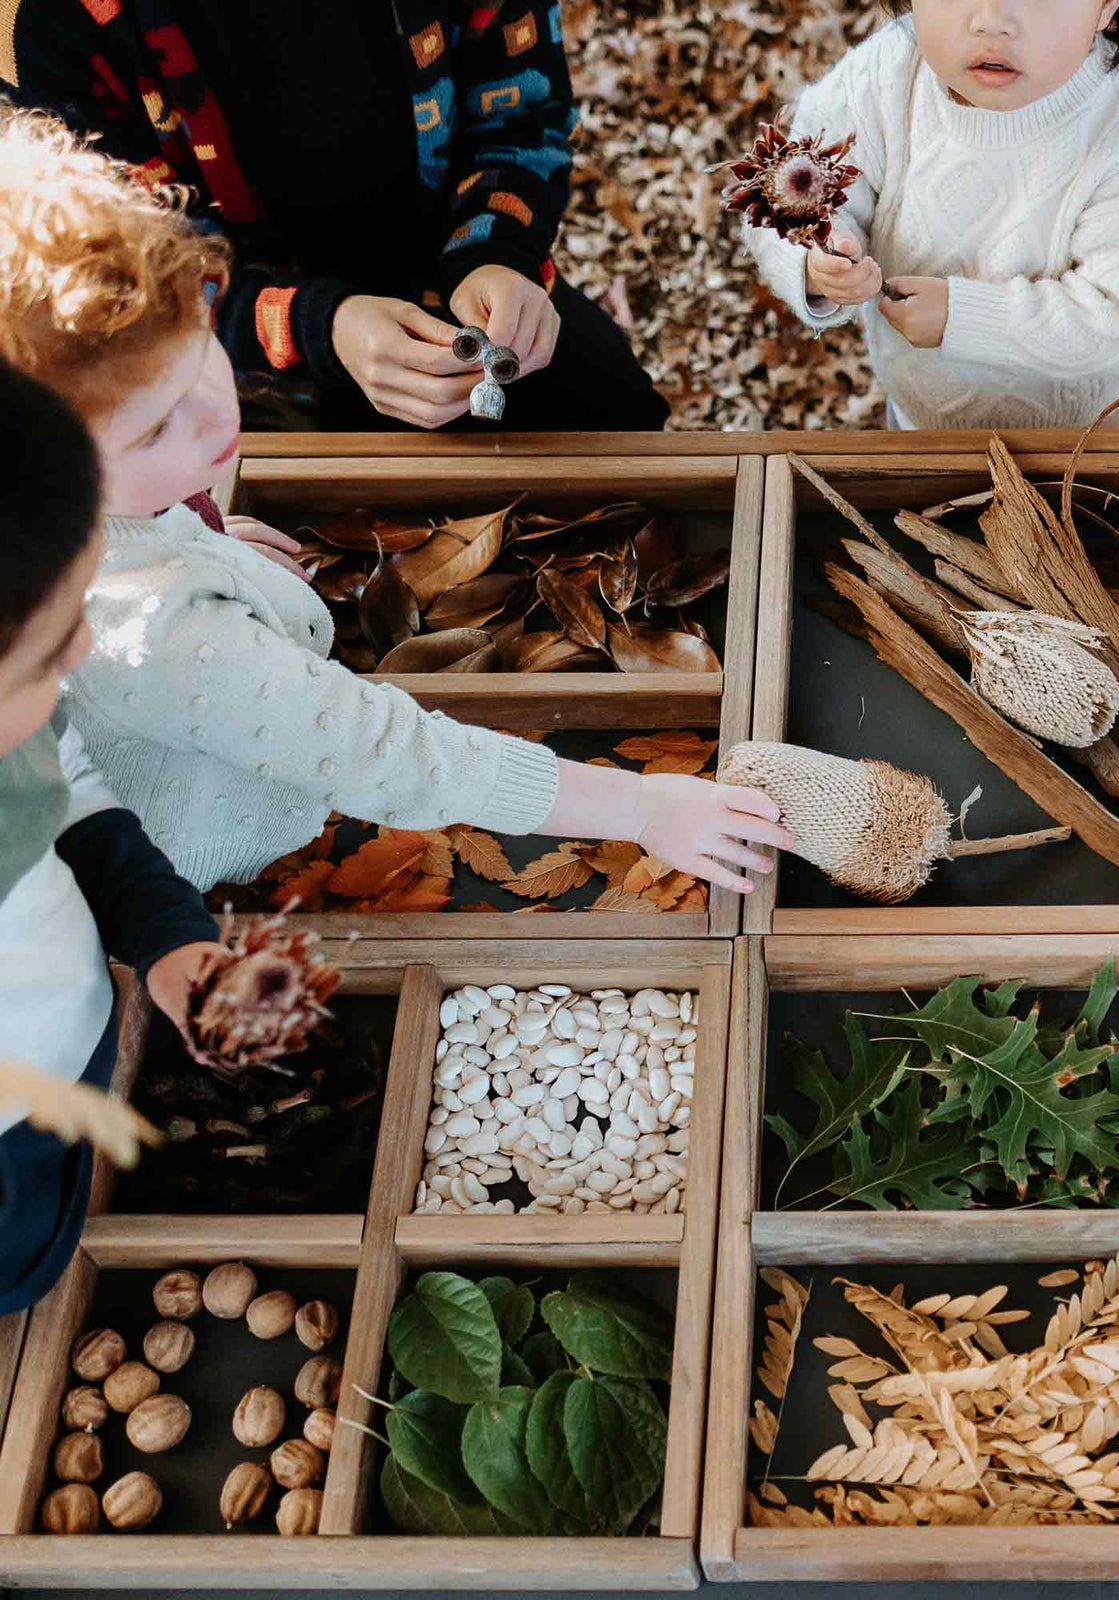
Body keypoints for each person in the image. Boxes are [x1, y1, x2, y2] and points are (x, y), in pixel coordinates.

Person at [0, 110, 790, 896]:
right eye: (154, 429)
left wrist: (201, 539)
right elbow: (377, 748)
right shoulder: (152, 632)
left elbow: (140, 540)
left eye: (200, 354)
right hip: (225, 845)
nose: (217, 416)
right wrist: (643, 807)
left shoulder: (88, 510)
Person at [1, 0, 667, 431]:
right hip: (236, 362)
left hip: (454, 286)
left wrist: (496, 253)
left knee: (622, 417)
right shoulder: (74, 23)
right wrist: (317, 325)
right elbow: (127, 275)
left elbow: (521, 116)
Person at [0, 363, 227, 1314]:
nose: (83, 652)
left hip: (70, 1051)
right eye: (51, 653)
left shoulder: (15, 729)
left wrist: (168, 933)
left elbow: (68, 792)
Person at [741, 0, 1119, 431]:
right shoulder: (884, 78)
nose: (991, 22)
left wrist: (965, 318)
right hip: (918, 424)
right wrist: (819, 259)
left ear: (1107, 7)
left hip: (1076, 439)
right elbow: (788, 187)